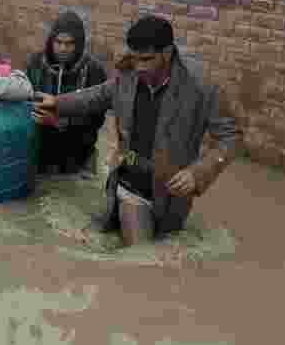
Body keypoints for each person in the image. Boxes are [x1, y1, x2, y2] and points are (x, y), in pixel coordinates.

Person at [33, 15, 240, 246]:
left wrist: (198, 173)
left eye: (147, 59)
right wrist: (58, 103)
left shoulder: (201, 88)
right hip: (130, 183)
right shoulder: (128, 76)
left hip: (171, 193)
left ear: (168, 52)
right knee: (141, 254)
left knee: (160, 245)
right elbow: (98, 96)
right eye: (135, 58)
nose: (139, 66)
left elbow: (230, 137)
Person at [26, 11, 108, 176]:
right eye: (58, 42)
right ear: (51, 40)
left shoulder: (93, 71)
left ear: (79, 44)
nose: (63, 48)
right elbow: (26, 99)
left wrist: (59, 121)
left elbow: (96, 120)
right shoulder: (36, 64)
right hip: (40, 149)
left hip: (77, 155)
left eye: (69, 43)